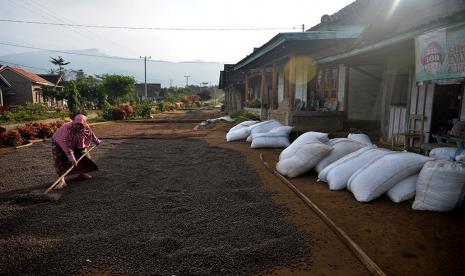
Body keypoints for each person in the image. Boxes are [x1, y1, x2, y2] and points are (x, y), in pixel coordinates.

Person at [51, 114, 101, 189]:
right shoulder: (67, 128)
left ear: (84, 123)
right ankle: (62, 181)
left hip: (76, 142)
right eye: (76, 124)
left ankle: (81, 174)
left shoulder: (86, 127)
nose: (77, 127)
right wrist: (72, 158)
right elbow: (65, 146)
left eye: (80, 125)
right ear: (74, 122)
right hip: (59, 142)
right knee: (60, 159)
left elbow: (91, 134)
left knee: (82, 155)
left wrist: (96, 141)